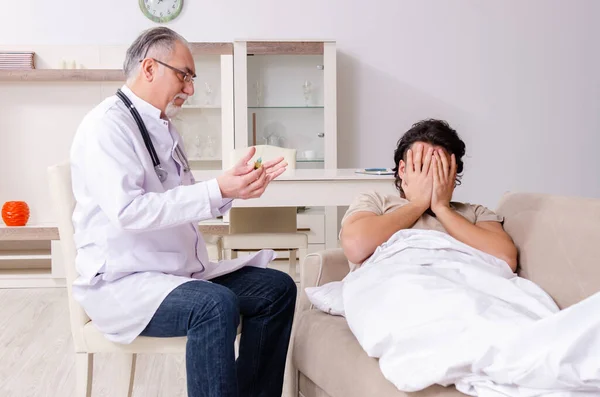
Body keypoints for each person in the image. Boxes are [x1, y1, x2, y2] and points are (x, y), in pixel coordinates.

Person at [70, 27, 296, 397]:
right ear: (148, 68)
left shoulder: (162, 127)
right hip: (125, 284)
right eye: (184, 75)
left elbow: (179, 199)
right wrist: (216, 189)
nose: (190, 89)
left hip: (176, 275)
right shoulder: (105, 127)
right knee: (214, 305)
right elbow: (129, 211)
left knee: (277, 289)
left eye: (192, 78)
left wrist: (230, 190)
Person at [340, 119, 518, 272]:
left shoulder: (476, 213)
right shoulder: (375, 202)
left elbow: (505, 259)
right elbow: (356, 246)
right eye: (422, 167)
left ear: (453, 173)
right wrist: (418, 204)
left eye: (441, 168)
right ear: (403, 170)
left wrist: (442, 208)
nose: (431, 175)